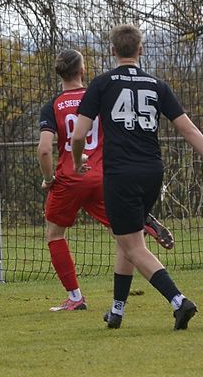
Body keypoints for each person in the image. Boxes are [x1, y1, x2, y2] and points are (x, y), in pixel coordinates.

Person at [71, 24, 203, 330]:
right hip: (152, 171)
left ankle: (179, 301)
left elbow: (79, 134)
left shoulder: (102, 84)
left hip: (120, 173)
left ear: (112, 50)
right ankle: (117, 311)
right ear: (141, 50)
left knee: (133, 245)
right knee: (127, 238)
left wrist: (77, 158)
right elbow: (189, 129)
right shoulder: (157, 85)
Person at [38, 49, 175, 312]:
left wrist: (48, 179)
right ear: (82, 70)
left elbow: (44, 149)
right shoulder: (99, 95)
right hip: (104, 176)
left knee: (55, 234)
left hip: (69, 179)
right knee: (125, 237)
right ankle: (141, 222)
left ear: (59, 73)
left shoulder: (53, 105)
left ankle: (75, 297)